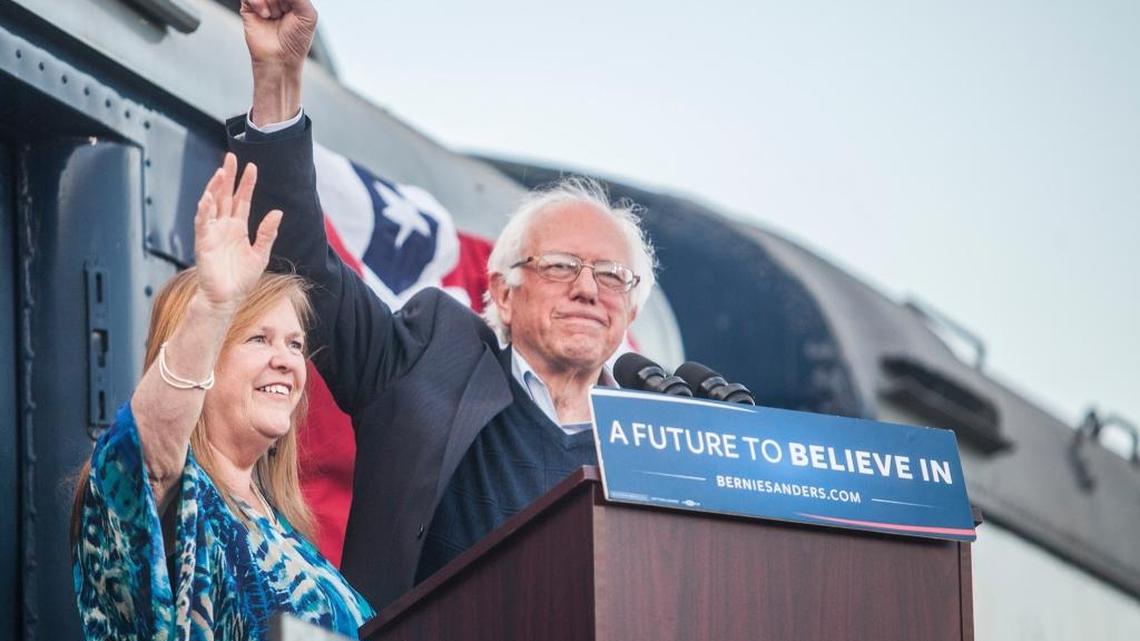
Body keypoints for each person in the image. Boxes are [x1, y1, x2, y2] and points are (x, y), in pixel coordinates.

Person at [233, 0, 657, 610]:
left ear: (631, 313)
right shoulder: (429, 357)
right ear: (503, 294)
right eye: (562, 266)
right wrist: (277, 81)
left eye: (613, 275)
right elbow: (301, 267)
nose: (588, 288)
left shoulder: (658, 436)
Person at [70, 157, 374, 640]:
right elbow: (140, 457)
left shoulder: (288, 534)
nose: (286, 361)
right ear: (204, 362)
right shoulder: (172, 495)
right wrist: (214, 305)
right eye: (259, 339)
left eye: (294, 344)